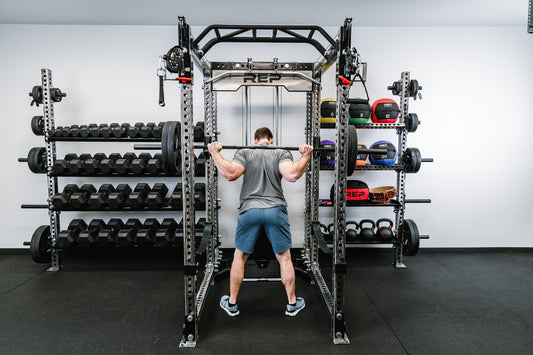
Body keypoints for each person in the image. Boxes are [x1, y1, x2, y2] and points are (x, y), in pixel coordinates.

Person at [207, 127, 313, 317]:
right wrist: (305, 156)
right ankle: (292, 303)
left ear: (255, 140)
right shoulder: (280, 151)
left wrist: (215, 153)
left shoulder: (245, 151)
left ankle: (231, 304)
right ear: (271, 140)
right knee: (285, 258)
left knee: (239, 257)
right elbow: (292, 175)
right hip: (275, 210)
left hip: (250, 210)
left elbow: (231, 173)